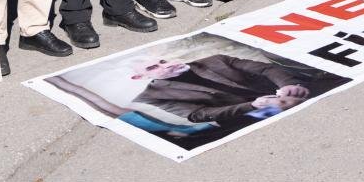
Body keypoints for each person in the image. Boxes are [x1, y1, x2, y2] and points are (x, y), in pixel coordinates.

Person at [130, 54, 319, 124]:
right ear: (140, 77)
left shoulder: (215, 60)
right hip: (243, 117)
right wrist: (252, 106)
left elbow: (265, 68)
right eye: (152, 68)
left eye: (162, 61)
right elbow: (199, 115)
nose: (166, 65)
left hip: (286, 93)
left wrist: (287, 84)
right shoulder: (151, 96)